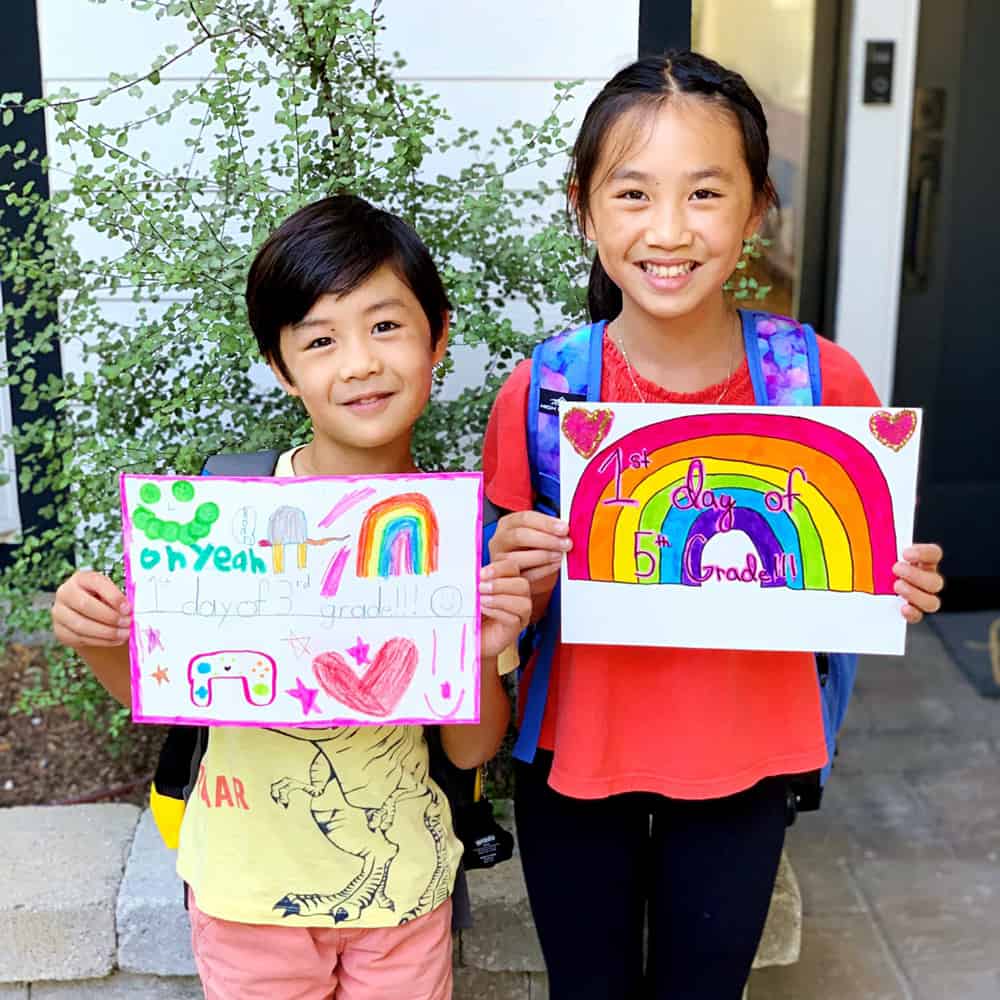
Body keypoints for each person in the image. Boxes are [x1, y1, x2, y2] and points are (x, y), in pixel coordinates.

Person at [484, 51, 945, 1000]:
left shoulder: (822, 385)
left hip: (747, 768)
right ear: (584, 208)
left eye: (704, 193)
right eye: (632, 194)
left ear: (756, 208)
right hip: (577, 761)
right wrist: (508, 573)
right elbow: (496, 607)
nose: (668, 231)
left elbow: (859, 565)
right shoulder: (543, 392)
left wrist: (895, 582)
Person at [50, 194, 531, 1000]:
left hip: (404, 889)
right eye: (319, 340)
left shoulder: (460, 537)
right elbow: (170, 695)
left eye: (385, 326)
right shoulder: (222, 515)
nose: (359, 363)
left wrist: (480, 656)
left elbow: (472, 750)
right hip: (243, 895)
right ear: (282, 367)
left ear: (437, 336)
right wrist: (99, 635)